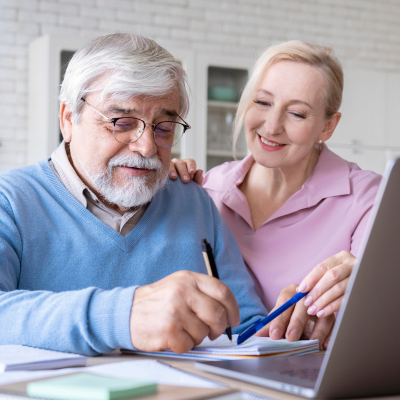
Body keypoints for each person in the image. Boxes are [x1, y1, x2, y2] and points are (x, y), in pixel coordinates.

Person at [0, 33, 267, 356]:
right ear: (69, 120)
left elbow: (246, 325)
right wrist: (121, 315)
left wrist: (291, 326)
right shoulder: (11, 201)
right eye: (123, 123)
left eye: (164, 128)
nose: (147, 147)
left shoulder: (193, 202)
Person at [170, 41, 381, 349]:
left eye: (296, 113)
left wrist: (368, 289)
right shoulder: (207, 190)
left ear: (328, 126)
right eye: (262, 102)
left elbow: (380, 321)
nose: (271, 126)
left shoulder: (366, 198)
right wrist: (163, 189)